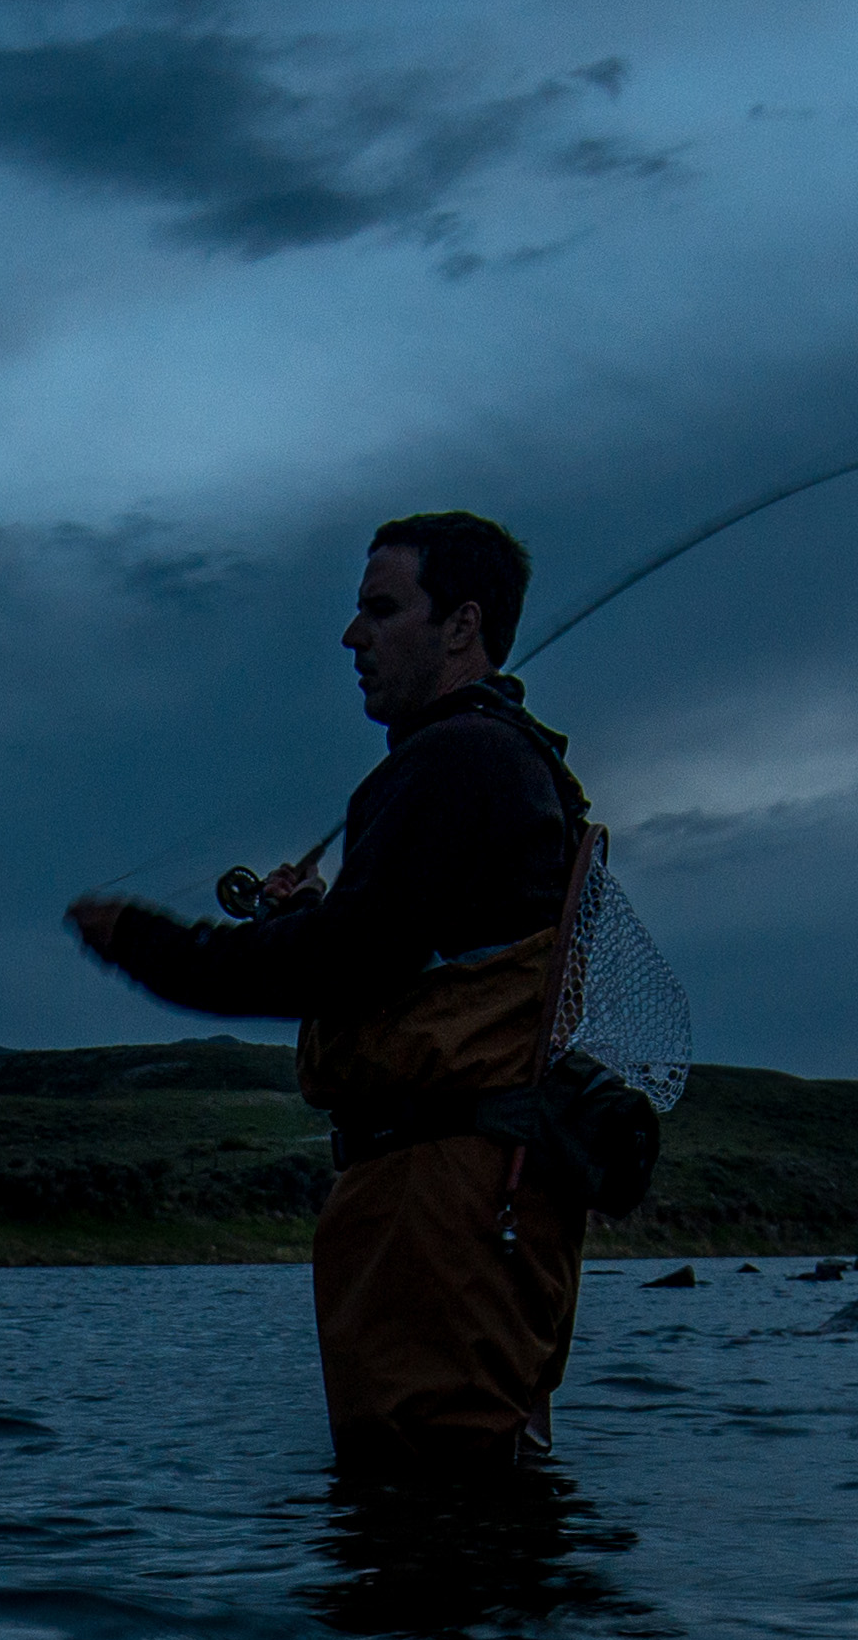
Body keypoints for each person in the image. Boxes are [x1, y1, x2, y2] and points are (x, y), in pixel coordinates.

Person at [66, 511, 592, 1471]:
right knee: (475, 1496)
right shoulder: (502, 763)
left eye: (381, 609)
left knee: (433, 1501)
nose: (353, 637)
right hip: (478, 1192)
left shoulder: (457, 758)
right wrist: (299, 916)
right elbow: (398, 953)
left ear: (463, 626)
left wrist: (143, 942)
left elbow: (340, 960)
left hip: (442, 1204)